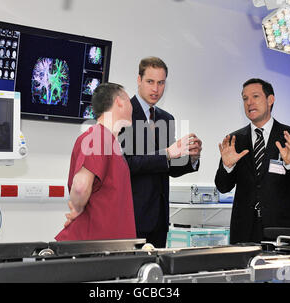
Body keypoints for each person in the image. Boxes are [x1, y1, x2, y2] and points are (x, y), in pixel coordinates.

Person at [214, 78, 290, 244]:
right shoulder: (236, 140)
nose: (249, 103)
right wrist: (227, 167)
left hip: (282, 231)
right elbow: (223, 187)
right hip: (244, 231)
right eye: (245, 98)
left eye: (255, 96)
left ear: (270, 100)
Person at [119, 56, 202, 248]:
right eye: (150, 82)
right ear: (139, 80)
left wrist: (192, 158)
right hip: (131, 216)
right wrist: (166, 153)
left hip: (160, 218)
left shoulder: (166, 118)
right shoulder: (123, 114)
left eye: (161, 83)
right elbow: (126, 164)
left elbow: (168, 167)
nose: (156, 89)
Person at [55, 82, 136, 241]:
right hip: (95, 247)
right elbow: (80, 188)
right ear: (119, 101)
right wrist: (77, 209)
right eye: (129, 101)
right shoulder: (98, 137)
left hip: (108, 245)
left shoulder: (108, 141)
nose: (132, 107)